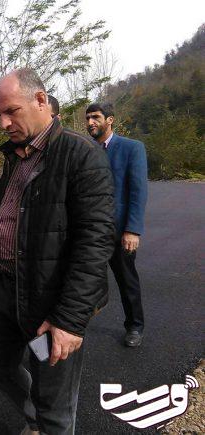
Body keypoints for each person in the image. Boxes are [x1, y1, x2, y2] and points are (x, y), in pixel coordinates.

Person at [0, 69, 114, 435]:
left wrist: (69, 320)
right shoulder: (16, 156)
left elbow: (95, 241)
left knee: (54, 402)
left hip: (49, 303)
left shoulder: (80, 154)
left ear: (40, 100)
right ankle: (34, 415)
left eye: (11, 111)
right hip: (5, 292)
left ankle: (43, 420)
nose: (4, 123)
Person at [86, 102, 148, 347]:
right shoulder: (85, 149)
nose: (90, 122)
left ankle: (135, 327)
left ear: (110, 120)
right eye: (88, 118)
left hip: (119, 231)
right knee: (84, 278)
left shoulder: (132, 148)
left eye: (95, 117)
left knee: (126, 281)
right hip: (91, 231)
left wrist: (132, 230)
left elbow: (138, 191)